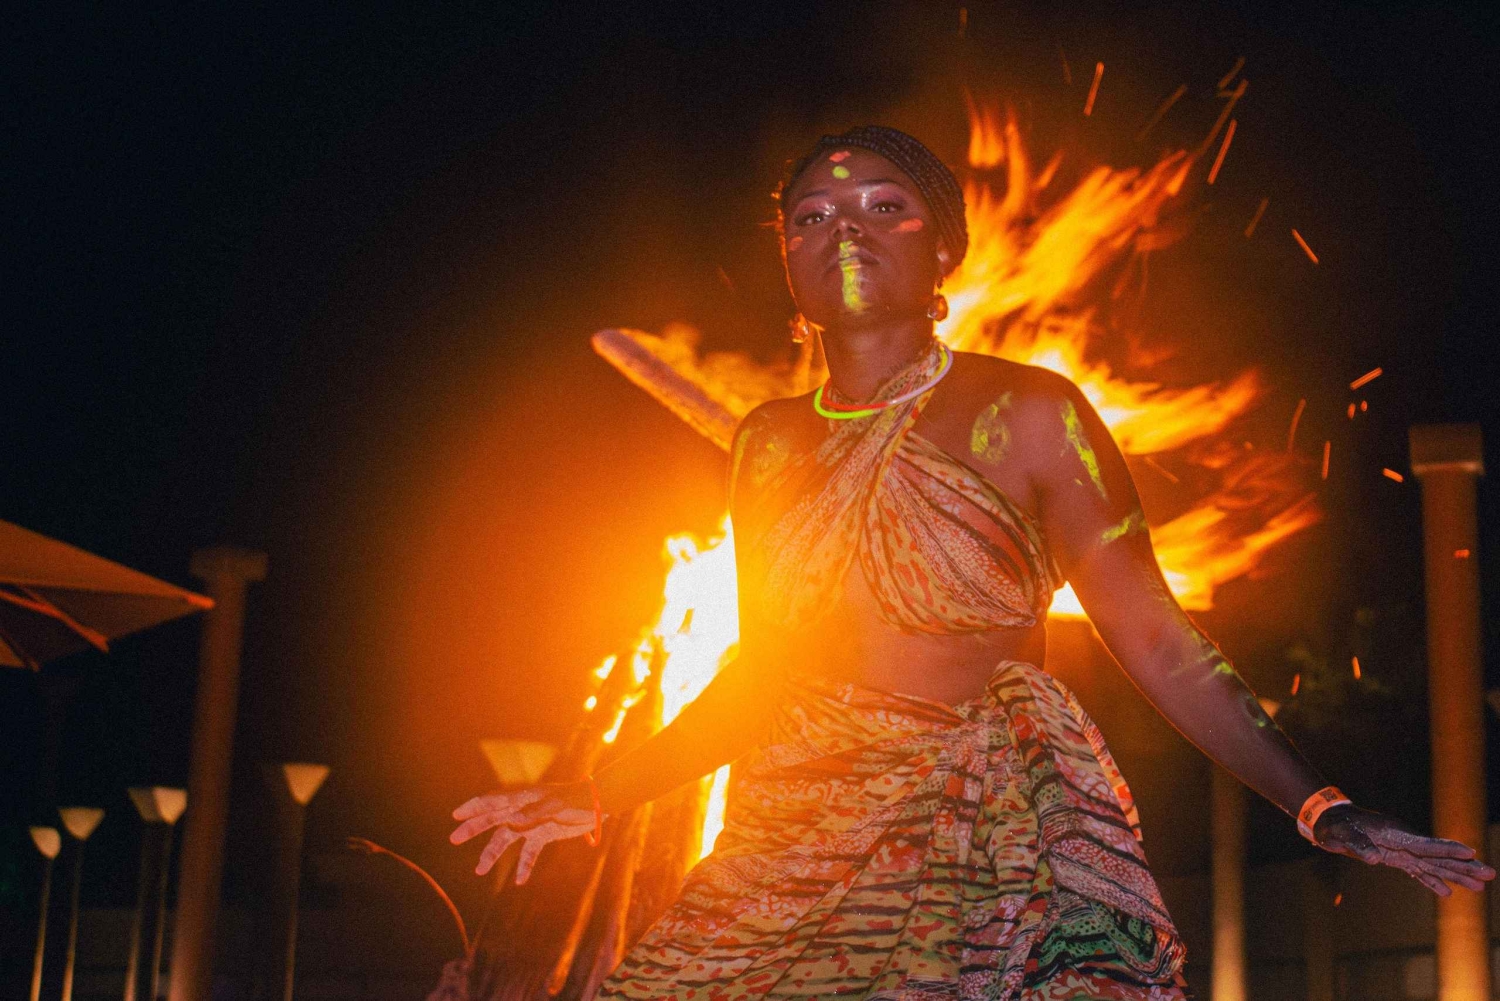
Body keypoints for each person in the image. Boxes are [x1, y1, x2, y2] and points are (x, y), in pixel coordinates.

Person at [450, 126, 1492, 999]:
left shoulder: (1033, 412)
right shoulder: (767, 442)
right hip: (790, 839)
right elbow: (765, 675)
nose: (843, 228)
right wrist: (602, 790)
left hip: (977, 827)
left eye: (883, 206)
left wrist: (1317, 803)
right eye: (811, 215)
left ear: (942, 248)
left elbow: (1159, 642)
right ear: (785, 260)